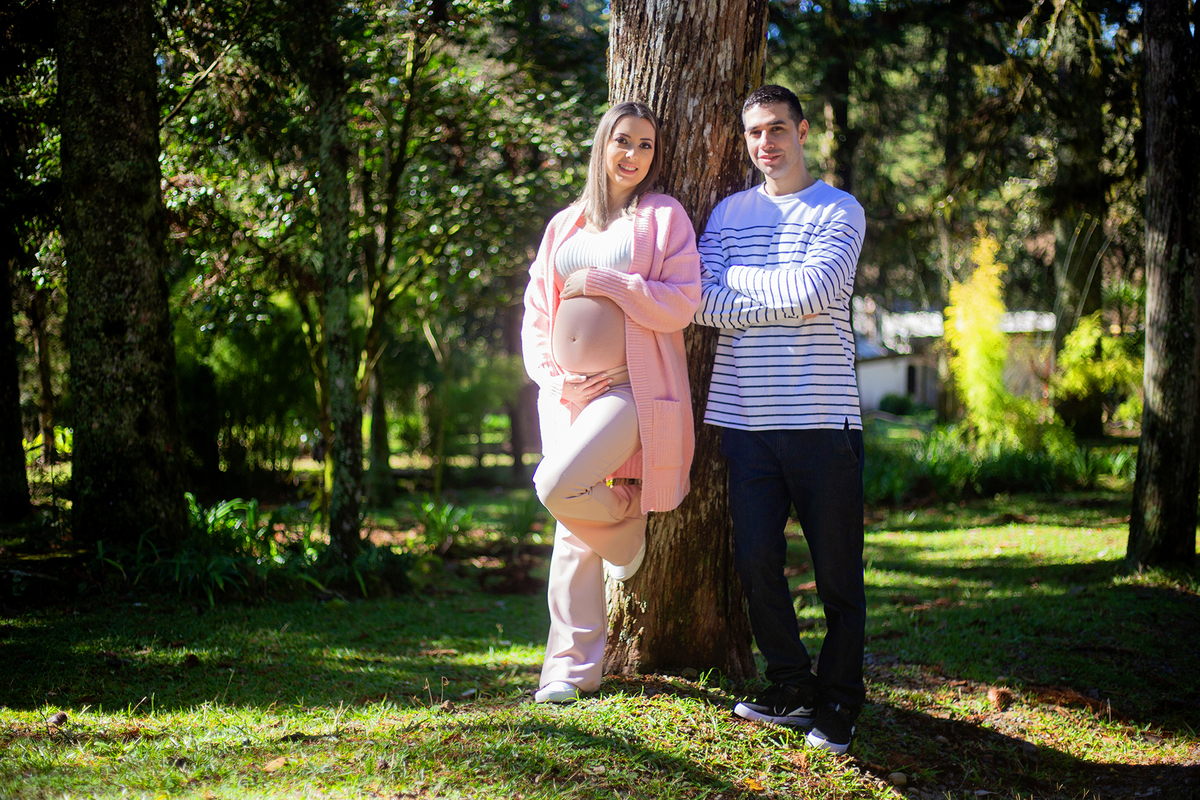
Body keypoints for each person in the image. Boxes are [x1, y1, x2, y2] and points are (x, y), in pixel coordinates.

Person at [692, 84, 867, 754]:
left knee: (837, 577)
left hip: (825, 422)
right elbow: (697, 302)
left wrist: (739, 280)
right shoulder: (729, 213)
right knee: (757, 562)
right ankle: (792, 687)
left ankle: (840, 704)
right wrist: (772, 286)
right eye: (755, 133)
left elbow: (814, 293)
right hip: (745, 424)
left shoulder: (838, 209)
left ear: (800, 132)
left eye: (777, 130)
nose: (766, 144)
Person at [522, 101, 702, 705]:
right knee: (570, 531)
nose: (634, 155)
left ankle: (626, 533)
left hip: (632, 388)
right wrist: (552, 374)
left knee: (555, 487)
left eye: (647, 145)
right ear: (602, 144)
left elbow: (681, 302)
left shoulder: (661, 217)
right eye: (623, 141)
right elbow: (538, 313)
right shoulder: (564, 226)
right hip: (567, 394)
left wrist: (612, 285)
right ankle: (569, 671)